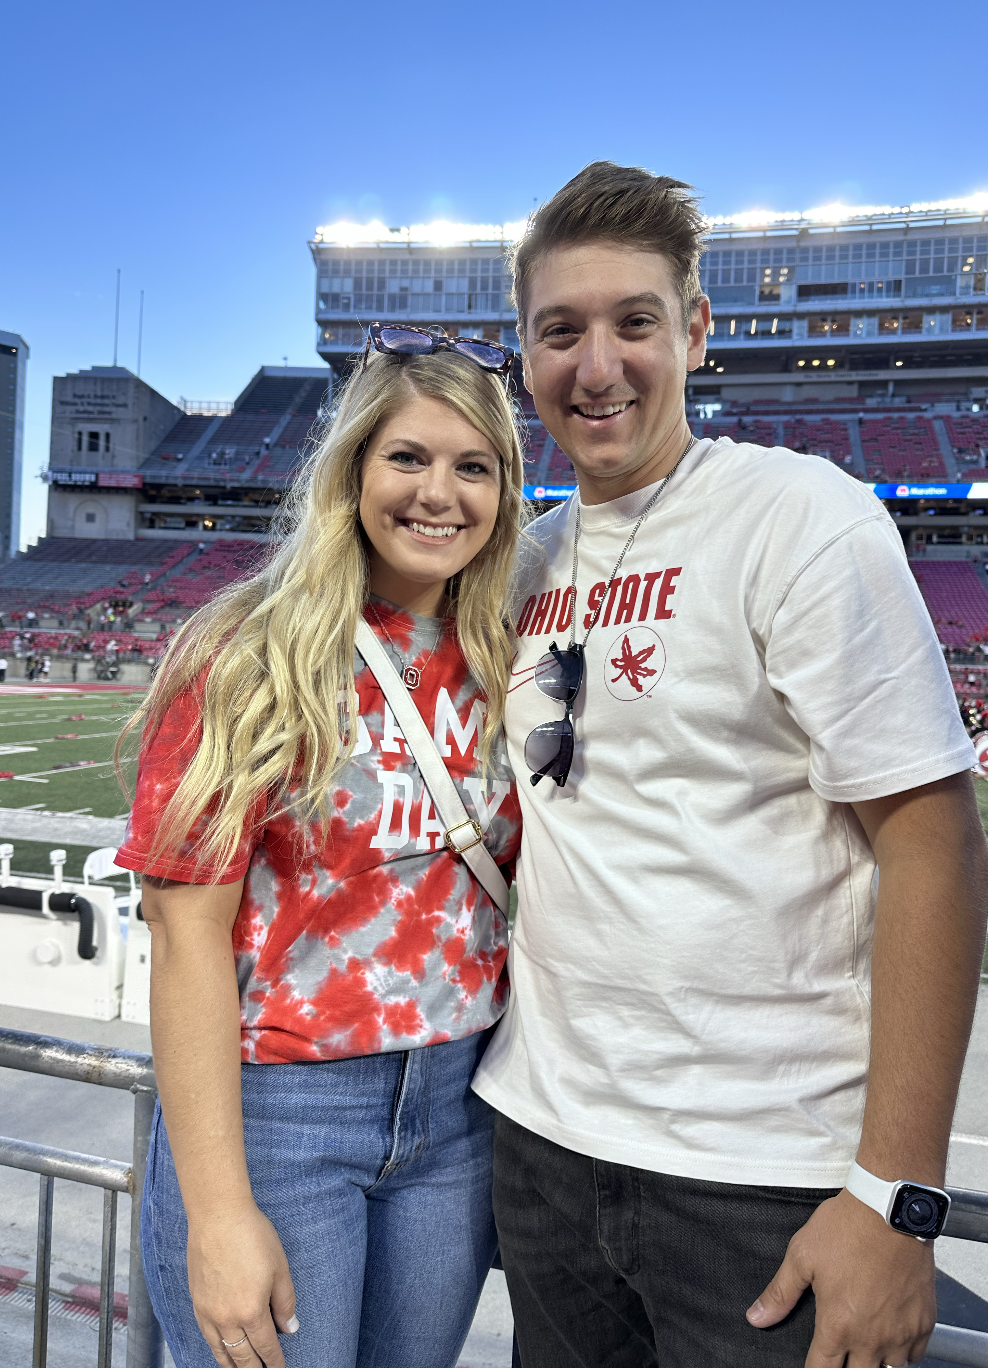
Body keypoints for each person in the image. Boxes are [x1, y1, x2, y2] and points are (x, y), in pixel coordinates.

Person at [471, 162, 988, 1368]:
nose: (597, 367)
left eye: (633, 322)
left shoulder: (801, 516)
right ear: (527, 353)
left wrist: (898, 1195)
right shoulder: (522, 562)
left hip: (759, 1178)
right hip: (542, 1145)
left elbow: (932, 839)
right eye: (561, 331)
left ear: (696, 331)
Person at [115, 329, 526, 1368]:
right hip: (281, 1112)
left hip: (458, 1107)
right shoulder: (245, 649)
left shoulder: (507, 657)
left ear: (504, 490)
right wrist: (216, 1211)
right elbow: (184, 934)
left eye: (471, 466)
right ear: (351, 472)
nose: (439, 492)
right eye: (408, 458)